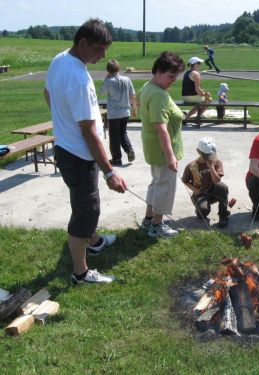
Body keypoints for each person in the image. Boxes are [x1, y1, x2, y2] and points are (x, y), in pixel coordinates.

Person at [44, 19, 127, 285]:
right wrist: (110, 172)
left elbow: (48, 93)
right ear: (83, 43)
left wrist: (62, 119)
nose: (103, 56)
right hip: (79, 156)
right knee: (86, 211)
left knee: (82, 202)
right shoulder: (79, 78)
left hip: (66, 149)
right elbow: (90, 133)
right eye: (99, 49)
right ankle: (81, 273)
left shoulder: (60, 60)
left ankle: (95, 241)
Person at [139, 51, 185, 238]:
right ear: (158, 71)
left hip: (154, 147)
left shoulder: (148, 87)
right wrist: (170, 156)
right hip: (162, 150)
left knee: (156, 183)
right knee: (164, 186)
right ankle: (157, 226)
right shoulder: (158, 95)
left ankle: (149, 219)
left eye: (176, 76)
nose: (173, 80)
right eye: (170, 76)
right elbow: (161, 128)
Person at [182, 137, 229, 228]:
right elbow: (185, 180)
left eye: (210, 155)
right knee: (203, 213)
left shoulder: (216, 161)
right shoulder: (192, 166)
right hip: (201, 194)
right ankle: (199, 209)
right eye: (206, 156)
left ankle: (223, 216)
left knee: (222, 187)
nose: (209, 158)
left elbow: (217, 181)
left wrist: (211, 167)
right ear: (198, 151)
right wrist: (194, 189)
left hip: (214, 191)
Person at [100, 58, 137, 166]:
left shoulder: (109, 81)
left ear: (108, 70)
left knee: (114, 136)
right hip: (125, 111)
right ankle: (129, 149)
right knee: (123, 133)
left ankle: (117, 158)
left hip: (114, 113)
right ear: (118, 68)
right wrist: (134, 108)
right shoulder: (127, 79)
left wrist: (106, 79)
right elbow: (133, 95)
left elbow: (102, 92)